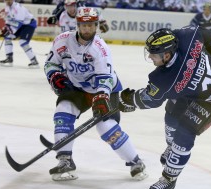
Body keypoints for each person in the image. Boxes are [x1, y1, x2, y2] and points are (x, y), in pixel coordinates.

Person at [118, 26, 211, 189]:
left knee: (184, 134)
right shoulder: (187, 36)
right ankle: (171, 148)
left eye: (153, 54)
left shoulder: (163, 80)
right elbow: (207, 34)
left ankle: (168, 180)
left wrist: (129, 99)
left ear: (166, 55)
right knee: (171, 115)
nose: (150, 57)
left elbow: (150, 100)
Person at [43, 7, 148, 181]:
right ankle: (65, 160)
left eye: (91, 25)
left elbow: (105, 77)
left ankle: (135, 162)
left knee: (105, 127)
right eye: (84, 26)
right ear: (77, 25)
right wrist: (54, 76)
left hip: (105, 90)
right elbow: (50, 64)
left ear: (96, 25)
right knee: (62, 113)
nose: (87, 29)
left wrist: (101, 96)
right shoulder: (62, 41)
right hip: (77, 88)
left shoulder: (100, 48)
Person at [0, 0, 39, 68]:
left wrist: (10, 30)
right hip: (22, 24)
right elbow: (8, 20)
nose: (7, 1)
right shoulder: (7, 7)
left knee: (23, 42)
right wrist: (6, 29)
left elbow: (18, 23)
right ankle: (9, 59)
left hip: (29, 24)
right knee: (7, 36)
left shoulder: (18, 8)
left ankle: (34, 62)